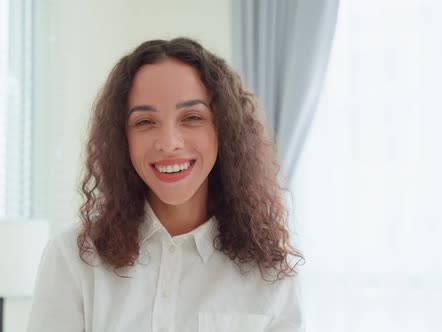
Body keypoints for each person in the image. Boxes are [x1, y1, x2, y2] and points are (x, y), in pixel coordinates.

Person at [27, 37, 304, 332]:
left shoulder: (272, 271)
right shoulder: (72, 259)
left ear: (224, 130)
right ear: (123, 140)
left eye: (192, 117)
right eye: (145, 122)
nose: (169, 143)